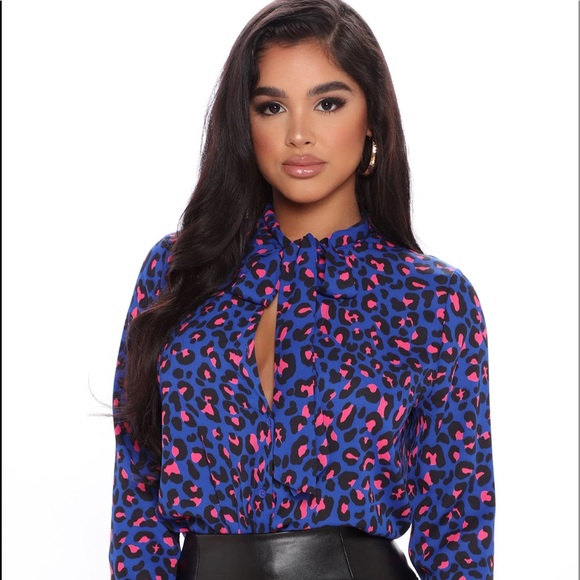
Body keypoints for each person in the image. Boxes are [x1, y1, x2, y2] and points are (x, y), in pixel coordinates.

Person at [109, 0, 495, 578]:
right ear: (246, 125)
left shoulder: (434, 299)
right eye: (271, 107)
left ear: (372, 119)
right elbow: (137, 495)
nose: (298, 134)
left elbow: (458, 527)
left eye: (328, 103)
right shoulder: (178, 270)